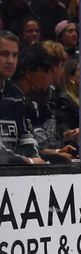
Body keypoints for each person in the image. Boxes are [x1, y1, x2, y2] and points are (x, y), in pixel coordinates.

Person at [0, 30, 45, 165]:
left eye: (15, 55)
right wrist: (29, 161)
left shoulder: (17, 96)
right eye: (4, 54)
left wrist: (35, 160)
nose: (10, 61)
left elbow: (27, 139)